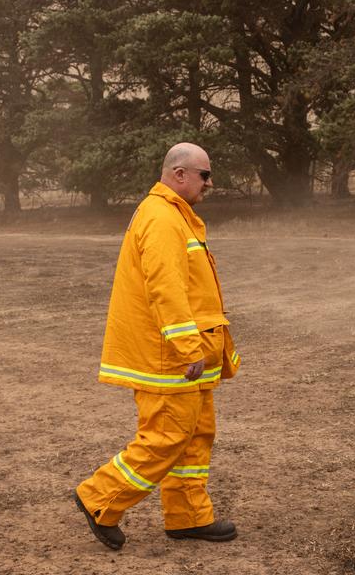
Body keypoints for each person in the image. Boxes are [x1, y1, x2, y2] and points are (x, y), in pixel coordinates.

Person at [73, 143, 242, 550]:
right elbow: (165, 289)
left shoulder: (175, 216)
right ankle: (99, 498)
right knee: (166, 436)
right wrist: (188, 348)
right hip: (172, 358)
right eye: (205, 174)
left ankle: (188, 517)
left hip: (191, 354)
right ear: (179, 174)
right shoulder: (162, 218)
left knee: (196, 435)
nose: (210, 183)